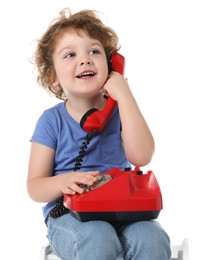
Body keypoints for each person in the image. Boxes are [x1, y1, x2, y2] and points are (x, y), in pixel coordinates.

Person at [27, 7, 171, 260]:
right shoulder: (51, 121)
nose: (85, 59)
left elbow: (142, 156)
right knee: (98, 235)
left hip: (122, 209)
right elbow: (35, 187)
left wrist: (124, 96)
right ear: (53, 76)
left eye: (94, 51)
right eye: (70, 55)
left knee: (152, 237)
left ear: (112, 65)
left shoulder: (123, 110)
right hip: (70, 214)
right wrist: (62, 182)